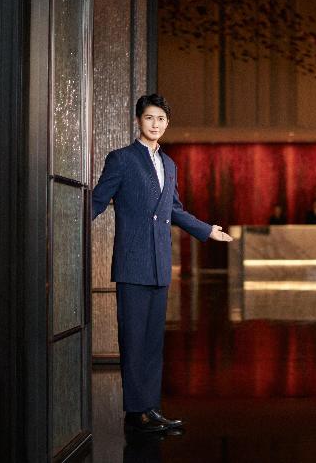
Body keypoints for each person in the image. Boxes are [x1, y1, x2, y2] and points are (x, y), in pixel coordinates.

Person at [92, 94, 232, 433]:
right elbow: (96, 200)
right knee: (133, 340)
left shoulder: (169, 164)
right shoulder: (122, 159)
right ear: (138, 120)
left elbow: (174, 210)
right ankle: (135, 413)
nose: (155, 124)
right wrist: (63, 227)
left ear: (167, 124)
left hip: (159, 263)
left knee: (153, 343)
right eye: (149, 117)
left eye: (161, 119)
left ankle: (149, 409)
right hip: (133, 263)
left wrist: (206, 230)